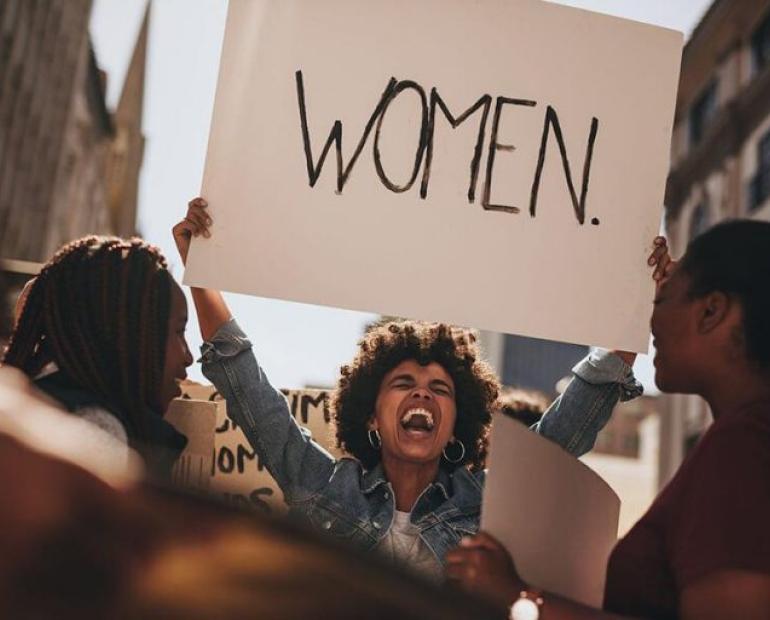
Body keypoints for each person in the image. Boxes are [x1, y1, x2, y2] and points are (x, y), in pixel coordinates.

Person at [173, 197, 666, 579]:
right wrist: (202, 266)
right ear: (370, 413)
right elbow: (246, 387)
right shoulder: (322, 487)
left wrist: (640, 300)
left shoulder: (491, 502)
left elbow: (572, 419)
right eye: (403, 383)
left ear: (458, 422)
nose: (423, 395)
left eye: (440, 389)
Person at [446, 220, 770, 619]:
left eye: (660, 300)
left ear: (711, 311)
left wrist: (520, 598)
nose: (650, 325)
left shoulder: (743, 445)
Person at [3, 236, 193, 478]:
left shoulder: (32, 400)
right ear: (129, 332)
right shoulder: (96, 429)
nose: (188, 356)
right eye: (179, 331)